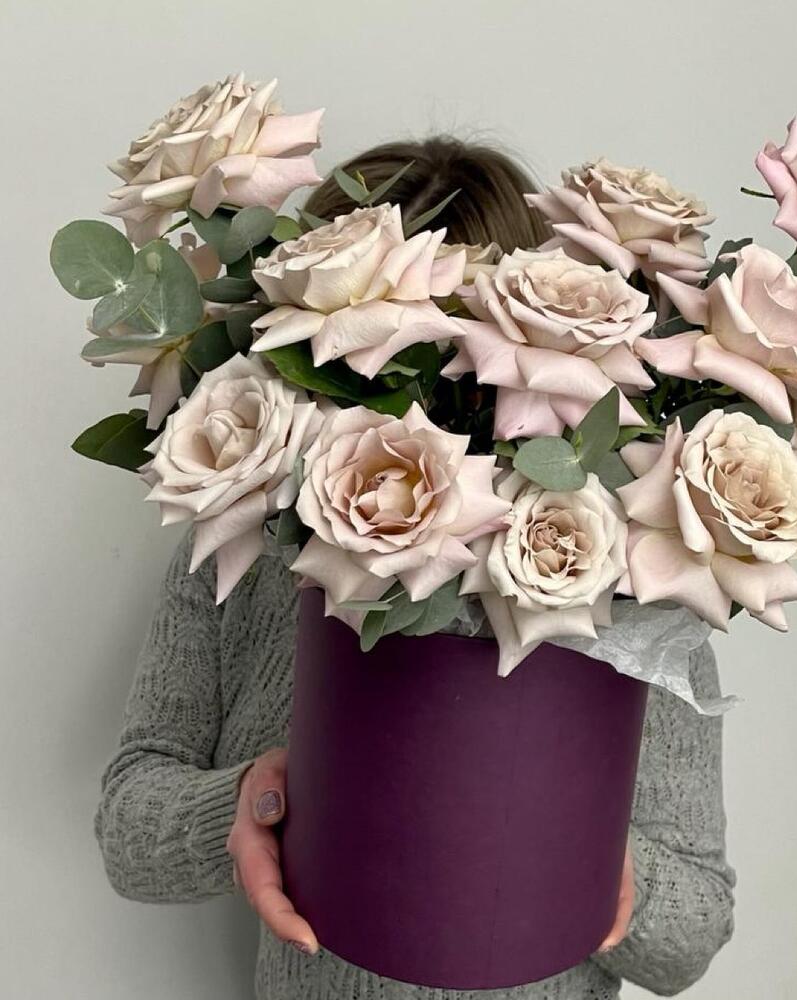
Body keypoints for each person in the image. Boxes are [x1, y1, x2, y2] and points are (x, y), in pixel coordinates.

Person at [94, 136, 736, 1000]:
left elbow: (694, 932)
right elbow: (129, 826)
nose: (412, 409)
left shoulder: (622, 586)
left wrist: (584, 857)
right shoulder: (244, 554)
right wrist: (246, 808)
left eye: (443, 372)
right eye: (366, 367)